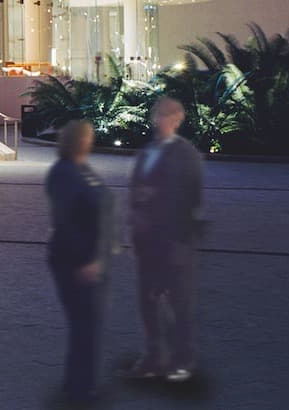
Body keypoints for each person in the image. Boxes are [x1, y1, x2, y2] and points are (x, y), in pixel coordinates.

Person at [126, 94, 205, 384]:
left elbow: (192, 196)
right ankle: (153, 356)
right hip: (147, 240)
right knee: (147, 300)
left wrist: (181, 237)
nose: (157, 121)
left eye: (163, 116)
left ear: (175, 120)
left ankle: (182, 359)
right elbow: (136, 189)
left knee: (178, 303)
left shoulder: (186, 153)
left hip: (174, 240)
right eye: (156, 116)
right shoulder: (148, 152)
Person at [45, 119, 110, 405]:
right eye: (87, 137)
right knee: (84, 324)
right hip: (72, 260)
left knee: (86, 324)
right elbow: (66, 221)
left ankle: (79, 384)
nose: (90, 141)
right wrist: (84, 261)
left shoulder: (81, 169)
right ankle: (80, 390)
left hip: (84, 257)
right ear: (77, 140)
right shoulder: (64, 173)